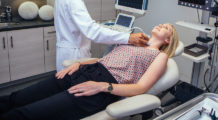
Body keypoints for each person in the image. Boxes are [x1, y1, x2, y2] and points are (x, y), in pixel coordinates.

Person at [0, 23, 179, 120]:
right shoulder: (134, 42)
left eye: (165, 28)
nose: (160, 25)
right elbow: (103, 61)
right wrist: (78, 64)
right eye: (161, 24)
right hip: (84, 72)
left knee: (26, 114)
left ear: (168, 39)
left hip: (99, 87)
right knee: (18, 98)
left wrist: (102, 86)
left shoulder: (160, 56)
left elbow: (140, 87)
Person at [54, 0, 149, 71]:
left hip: (68, 51)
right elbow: (92, 31)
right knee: (75, 87)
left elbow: (80, 25)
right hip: (74, 54)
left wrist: (99, 27)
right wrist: (129, 38)